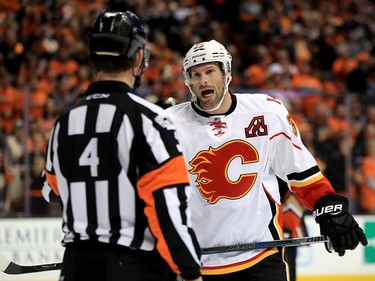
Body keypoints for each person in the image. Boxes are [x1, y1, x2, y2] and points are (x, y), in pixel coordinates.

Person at [165, 40, 368, 281]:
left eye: (210, 71)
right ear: (188, 81)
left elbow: (299, 170)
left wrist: (327, 206)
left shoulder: (267, 112)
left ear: (226, 73)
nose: (204, 81)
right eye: (196, 74)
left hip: (261, 257)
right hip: (200, 263)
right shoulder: (169, 123)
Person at [41, 10, 202, 281]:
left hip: (76, 266)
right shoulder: (151, 120)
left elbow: (52, 188)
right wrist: (189, 270)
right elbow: (166, 210)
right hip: (134, 267)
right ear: (138, 57)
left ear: (93, 59)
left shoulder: (65, 122)